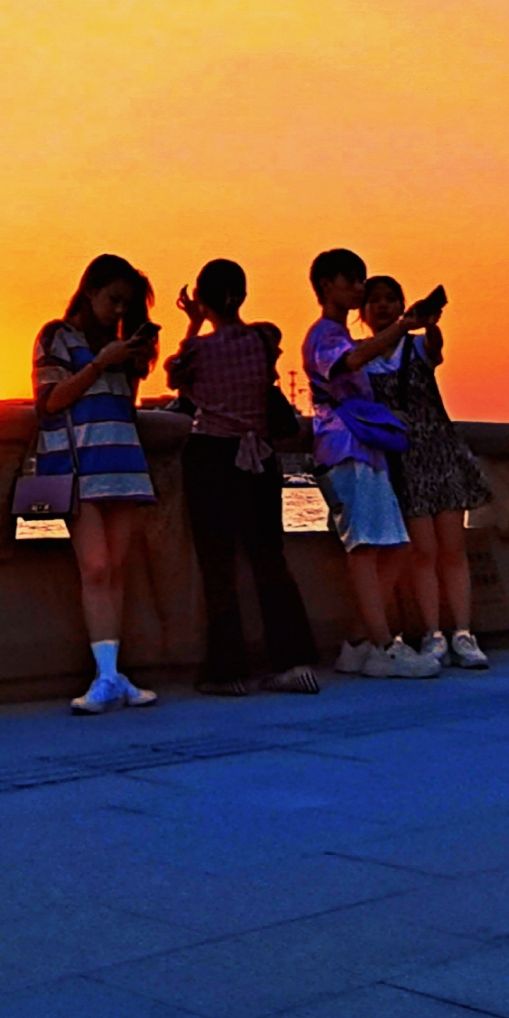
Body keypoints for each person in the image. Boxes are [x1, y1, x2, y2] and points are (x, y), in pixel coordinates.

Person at [166, 260, 321, 695]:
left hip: (212, 455)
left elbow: (175, 375)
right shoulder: (264, 336)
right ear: (242, 295)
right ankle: (292, 661)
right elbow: (268, 356)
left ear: (203, 299)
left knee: (219, 567)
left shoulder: (197, 351)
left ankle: (227, 670)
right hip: (260, 456)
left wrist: (194, 325)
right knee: (270, 559)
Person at [303, 249, 442, 678]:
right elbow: (350, 364)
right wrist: (403, 327)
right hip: (344, 450)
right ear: (327, 285)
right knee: (365, 548)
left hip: (364, 449)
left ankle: (360, 640)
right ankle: (382, 645)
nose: (360, 289)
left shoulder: (339, 334)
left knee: (394, 548)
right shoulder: (325, 336)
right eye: (352, 281)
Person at [35, 254, 165, 713]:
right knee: (95, 568)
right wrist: (98, 364)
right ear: (89, 290)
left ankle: (113, 671)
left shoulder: (118, 344)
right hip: (79, 467)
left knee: (116, 570)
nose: (116, 310)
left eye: (124, 304)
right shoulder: (57, 336)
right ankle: (105, 674)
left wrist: (129, 357)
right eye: (112, 299)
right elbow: (49, 400)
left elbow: (123, 404)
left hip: (123, 462)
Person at [360, 275, 495, 670]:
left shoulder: (414, 345)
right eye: (375, 300)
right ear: (362, 311)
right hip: (403, 459)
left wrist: (431, 322)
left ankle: (463, 633)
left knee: (452, 548)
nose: (383, 306)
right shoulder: (362, 356)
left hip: (439, 451)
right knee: (423, 551)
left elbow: (435, 350)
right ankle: (433, 632)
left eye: (391, 299)